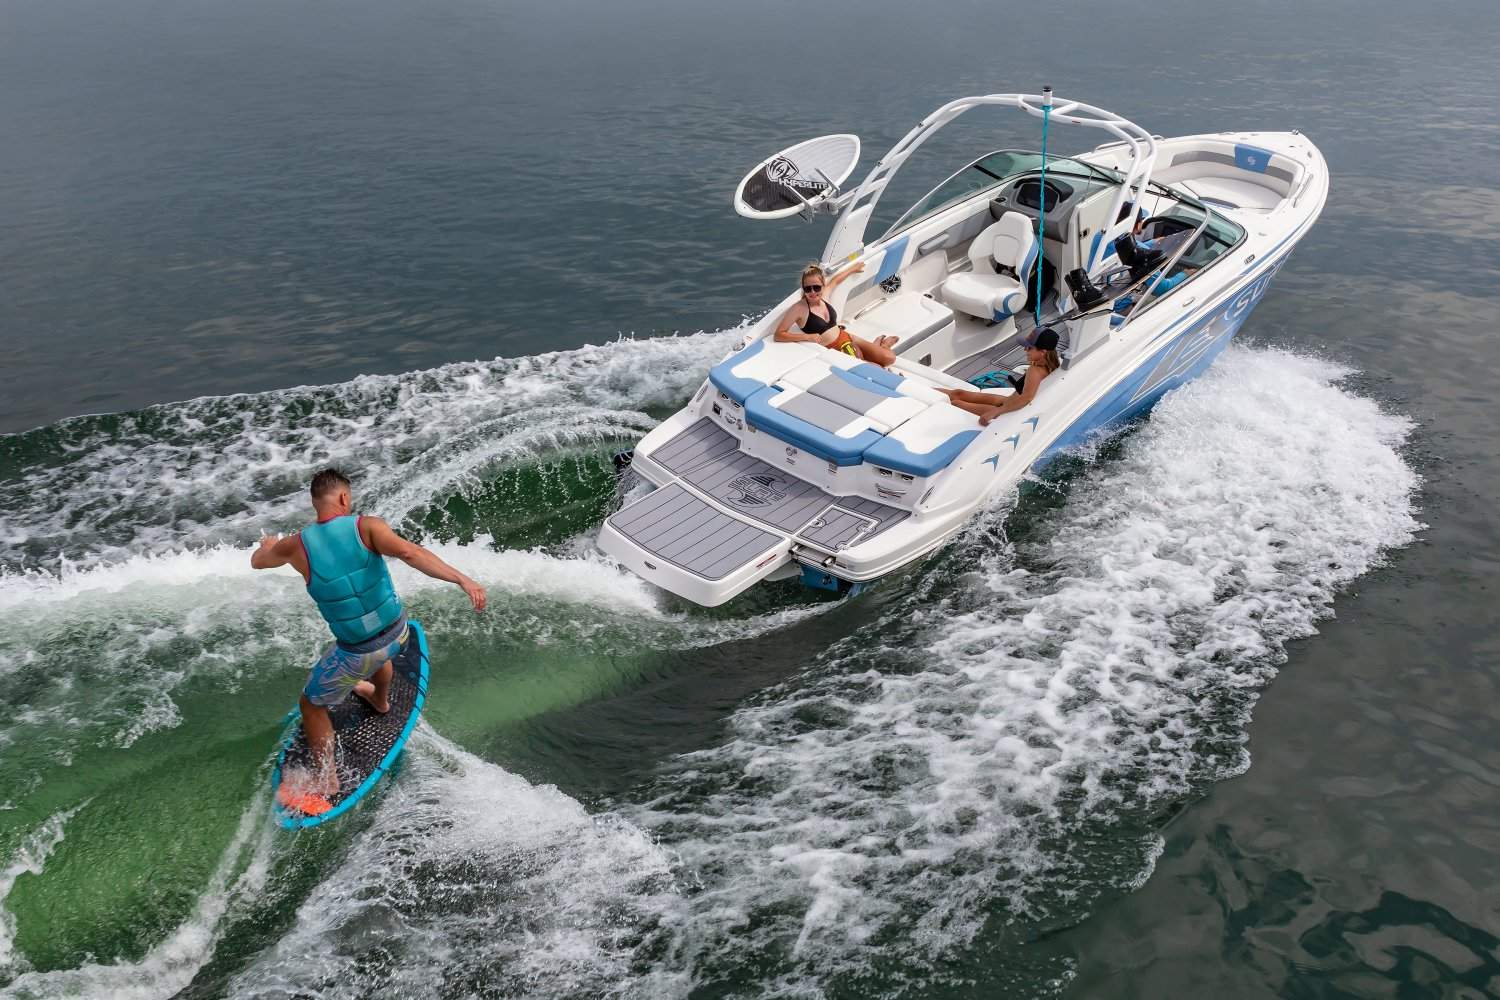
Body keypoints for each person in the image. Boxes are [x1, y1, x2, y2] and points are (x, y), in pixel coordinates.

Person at [252, 468, 487, 807]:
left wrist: (268, 545)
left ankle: (325, 780)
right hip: (398, 633)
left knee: (311, 704)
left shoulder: (294, 547)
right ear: (344, 498)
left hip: (356, 652)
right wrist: (464, 580)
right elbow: (411, 553)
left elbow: (258, 562)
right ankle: (380, 699)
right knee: (378, 653)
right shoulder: (368, 527)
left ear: (315, 503)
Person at [774, 262, 900, 366]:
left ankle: (883, 345)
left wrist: (853, 269)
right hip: (835, 349)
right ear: (803, 288)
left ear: (823, 285)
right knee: (876, 367)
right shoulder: (799, 308)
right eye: (808, 288)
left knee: (889, 358)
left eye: (816, 287)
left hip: (847, 337)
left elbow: (835, 281)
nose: (812, 292)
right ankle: (876, 349)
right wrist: (807, 337)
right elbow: (779, 335)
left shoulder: (824, 297)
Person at [939, 327, 1062, 426]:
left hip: (1006, 412)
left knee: (956, 403)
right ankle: (925, 391)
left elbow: (1026, 398)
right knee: (959, 394)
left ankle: (926, 397)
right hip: (1008, 403)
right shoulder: (1055, 365)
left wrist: (996, 411)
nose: (1025, 350)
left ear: (1043, 352)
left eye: (1029, 347)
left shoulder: (1035, 371)